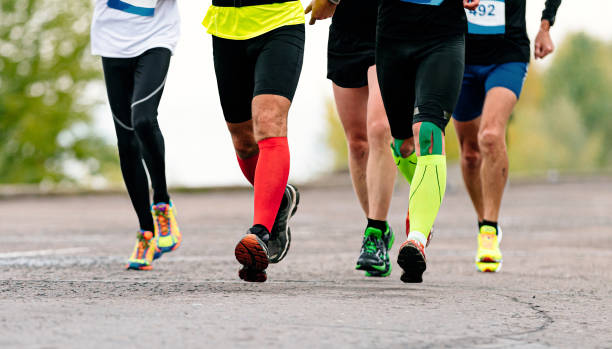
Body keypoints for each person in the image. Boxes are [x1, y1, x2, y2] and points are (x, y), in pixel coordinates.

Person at [203, 0, 334, 282]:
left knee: (269, 121)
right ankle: (281, 199)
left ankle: (261, 232)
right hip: (226, 26)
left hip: (280, 22)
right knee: (243, 140)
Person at [452, 0, 562, 272]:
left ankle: (489, 229)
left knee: (489, 135)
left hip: (507, 55)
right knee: (469, 154)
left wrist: (545, 25)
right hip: (458, 54)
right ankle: (483, 223)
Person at [375, 0, 479, 283]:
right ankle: (424, 205)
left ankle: (417, 237)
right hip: (393, 34)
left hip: (442, 34)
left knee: (428, 131)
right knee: (403, 145)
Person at [90, 0, 182, 270]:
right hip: (111, 41)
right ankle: (146, 232)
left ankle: (162, 203)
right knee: (126, 140)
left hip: (156, 38)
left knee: (142, 119)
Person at [325, 0, 397, 277]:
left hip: (391, 29)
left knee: (380, 128)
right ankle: (377, 227)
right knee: (357, 144)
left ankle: (375, 232)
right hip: (347, 32)